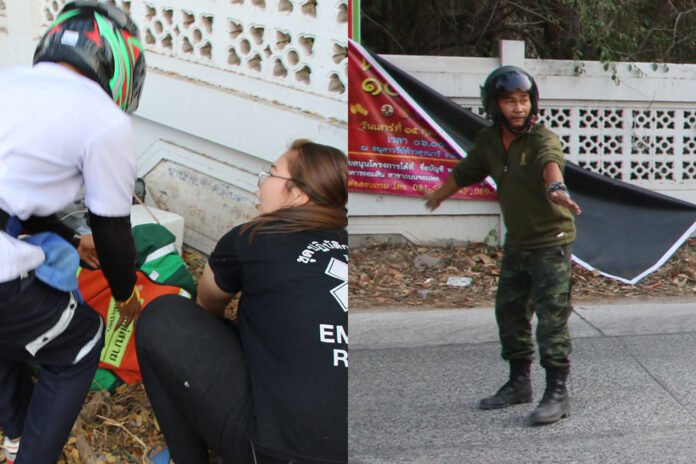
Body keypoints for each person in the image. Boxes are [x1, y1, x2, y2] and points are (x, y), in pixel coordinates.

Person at [136, 140, 349, 463]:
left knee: (161, 315)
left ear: (297, 195)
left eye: (270, 174)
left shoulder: (254, 236)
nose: (260, 183)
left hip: (280, 452)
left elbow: (207, 309)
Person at [0, 1, 146, 462]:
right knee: (81, 341)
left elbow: (13, 195)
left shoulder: (8, 80)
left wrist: (67, 239)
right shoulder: (107, 121)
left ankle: (15, 431)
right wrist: (126, 296)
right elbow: (112, 228)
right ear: (121, 66)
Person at [425, 66, 582, 426]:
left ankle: (557, 392)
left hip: (551, 243)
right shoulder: (489, 141)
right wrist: (437, 196)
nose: (518, 108)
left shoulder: (543, 138)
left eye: (523, 100)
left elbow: (551, 165)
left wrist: (557, 189)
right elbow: (466, 172)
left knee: (551, 322)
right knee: (509, 315)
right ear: (495, 105)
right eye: (510, 101)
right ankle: (519, 383)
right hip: (519, 244)